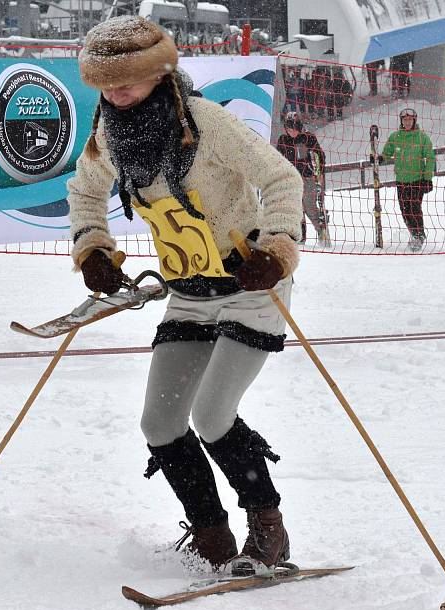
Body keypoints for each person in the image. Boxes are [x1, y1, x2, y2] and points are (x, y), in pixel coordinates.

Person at [67, 16, 303, 576]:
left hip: (250, 284)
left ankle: (268, 528)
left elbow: (283, 179)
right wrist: (93, 250)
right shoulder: (108, 133)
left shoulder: (206, 122)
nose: (116, 91)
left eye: (128, 78)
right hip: (189, 290)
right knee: (160, 423)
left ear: (157, 72)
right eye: (105, 82)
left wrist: (276, 249)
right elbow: (83, 191)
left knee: (214, 415)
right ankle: (212, 536)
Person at [372, 107, 435, 251]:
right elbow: (387, 153)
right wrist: (379, 158)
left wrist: (427, 178)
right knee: (404, 210)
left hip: (417, 180)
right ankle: (413, 233)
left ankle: (419, 235)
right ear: (401, 121)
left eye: (410, 120)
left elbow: (430, 158)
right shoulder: (396, 137)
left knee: (414, 208)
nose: (407, 122)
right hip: (401, 180)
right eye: (405, 120)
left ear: (414, 120)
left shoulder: (421, 137)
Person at [276, 113, 329, 246]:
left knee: (309, 206)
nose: (291, 132)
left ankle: (321, 231)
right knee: (296, 209)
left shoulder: (308, 138)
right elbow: (277, 158)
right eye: (288, 129)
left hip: (307, 177)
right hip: (290, 179)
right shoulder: (283, 140)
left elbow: (320, 155)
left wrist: (320, 172)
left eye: (293, 129)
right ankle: (300, 237)